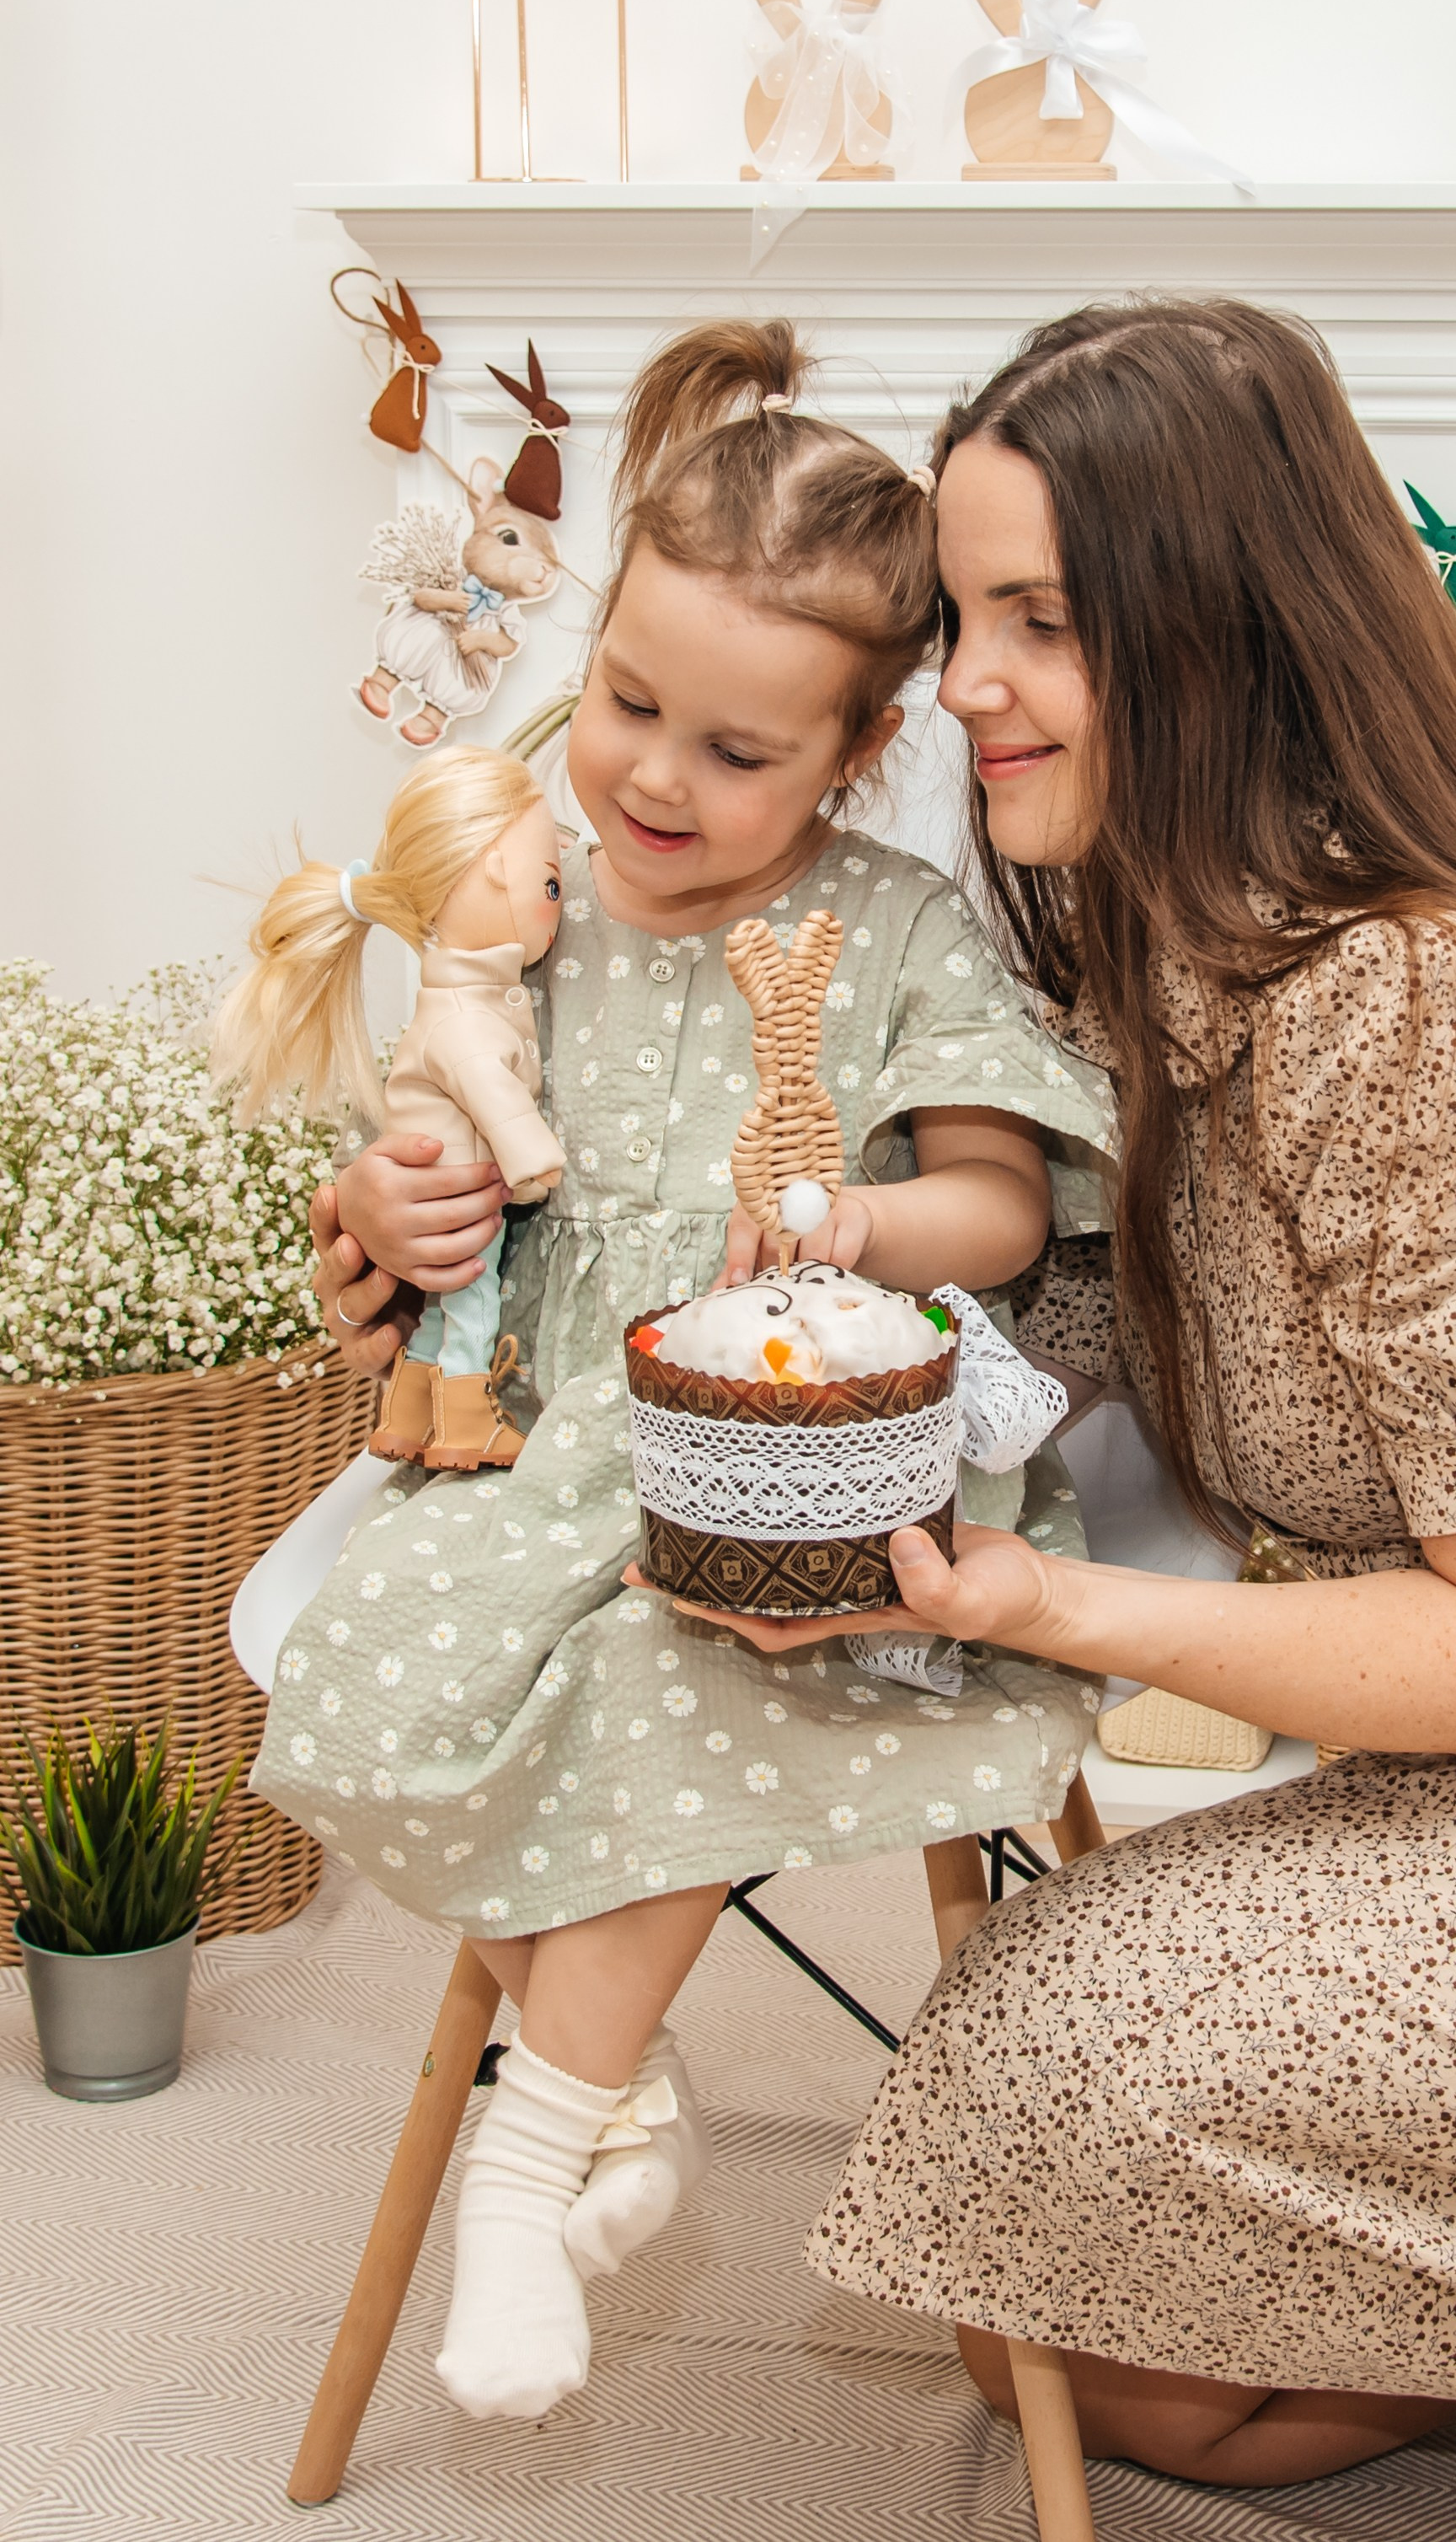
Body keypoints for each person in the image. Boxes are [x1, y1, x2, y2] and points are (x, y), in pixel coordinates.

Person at [672, 300, 1456, 2539]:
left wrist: (1042, 1598)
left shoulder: (1432, 999)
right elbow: (1187, 1304)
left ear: (1231, 637)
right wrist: (859, 1265)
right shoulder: (1209, 938)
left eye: (1047, 621)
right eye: (962, 616)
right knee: (1114, 2367)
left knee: (1058, 2036)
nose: (970, 683)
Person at [262, 316, 1115, 2427]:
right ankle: (617, 2086)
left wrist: (852, 1221)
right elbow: (418, 1168)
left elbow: (1000, 1209)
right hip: (551, 1454)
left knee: (679, 1662)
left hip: (809, 1462)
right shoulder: (531, 905)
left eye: (736, 754)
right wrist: (397, 1210)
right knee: (373, 1663)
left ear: (861, 743)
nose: (652, 777)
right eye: (627, 705)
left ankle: (528, 2144)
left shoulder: (900, 926)